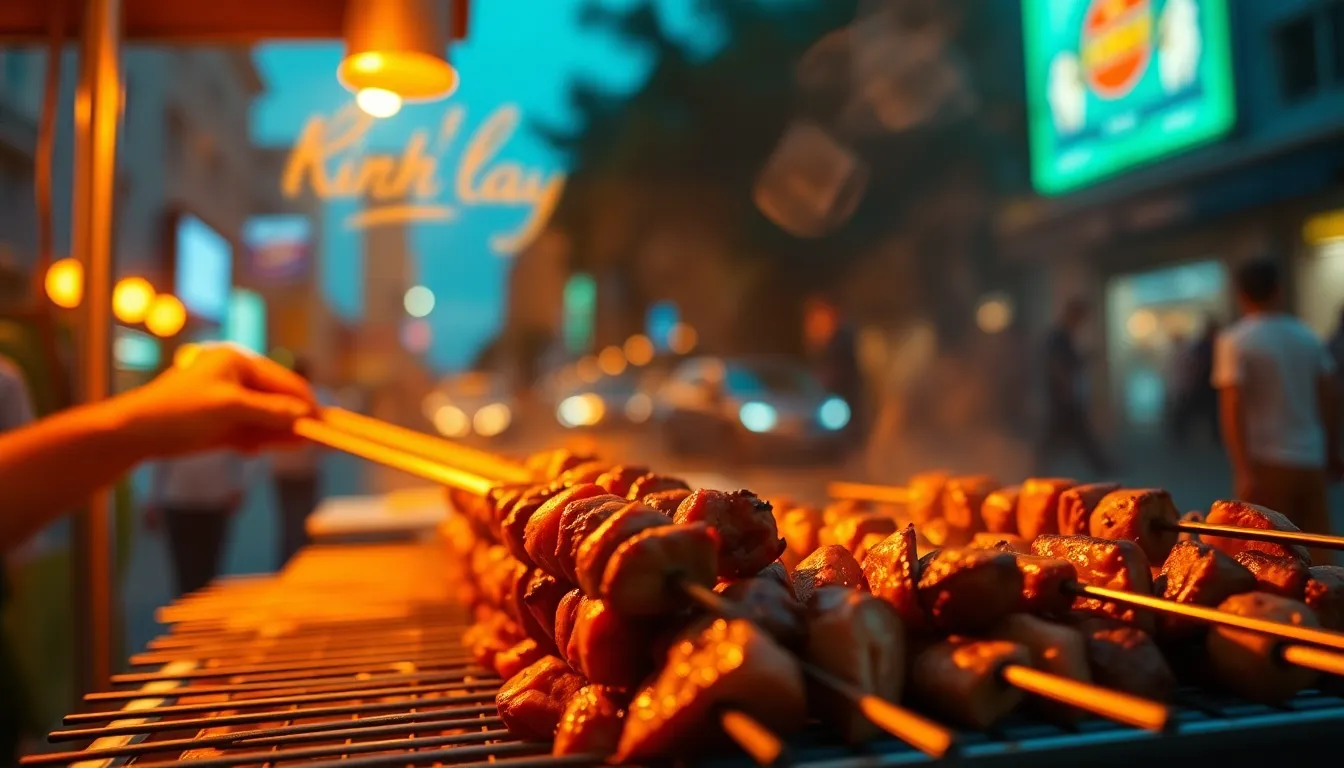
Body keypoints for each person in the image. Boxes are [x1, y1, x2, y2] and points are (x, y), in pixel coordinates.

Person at [1213, 259, 1340, 565]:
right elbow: (1332, 398)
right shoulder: (1306, 336)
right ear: (1279, 290)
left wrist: (1242, 470)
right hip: (1310, 460)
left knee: (1267, 558)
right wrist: (1333, 452)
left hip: (1264, 465)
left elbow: (1233, 407)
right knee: (1320, 555)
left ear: (1241, 294)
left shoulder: (1235, 340)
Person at [1036, 297, 1112, 474]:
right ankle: (1035, 466)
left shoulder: (1064, 336)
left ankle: (1100, 464)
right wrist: (1066, 389)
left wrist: (1084, 358)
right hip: (1062, 394)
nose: (1082, 322)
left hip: (1065, 394)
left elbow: (1069, 362)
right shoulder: (1058, 336)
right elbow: (1056, 365)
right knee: (1068, 431)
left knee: (1074, 431)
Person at [269, 360, 328, 567]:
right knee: (305, 521)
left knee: (291, 522)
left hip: (286, 470)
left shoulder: (279, 399)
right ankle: (301, 564)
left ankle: (291, 564)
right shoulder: (316, 398)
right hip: (303, 469)